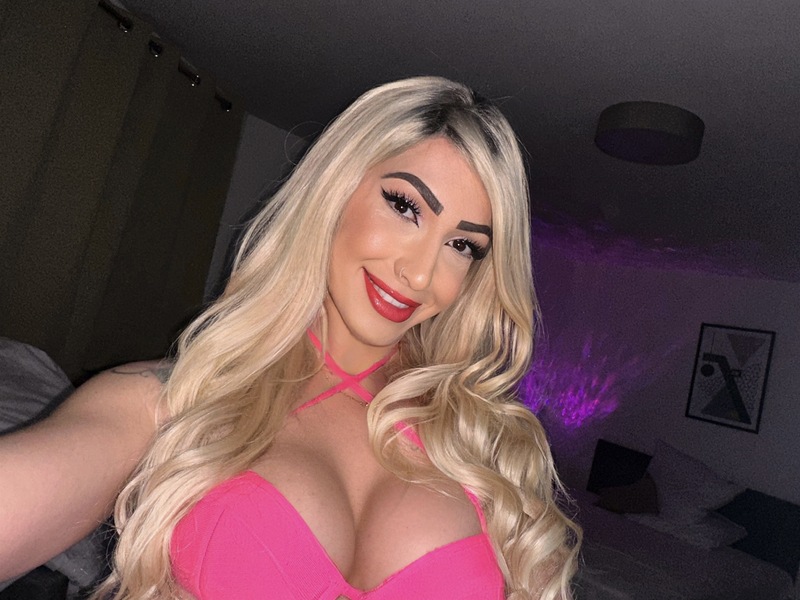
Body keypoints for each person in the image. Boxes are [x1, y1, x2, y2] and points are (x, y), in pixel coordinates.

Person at [0, 76, 580, 599]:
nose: (421, 274)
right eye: (405, 206)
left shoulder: (487, 449)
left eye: (462, 245)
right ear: (335, 188)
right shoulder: (175, 404)